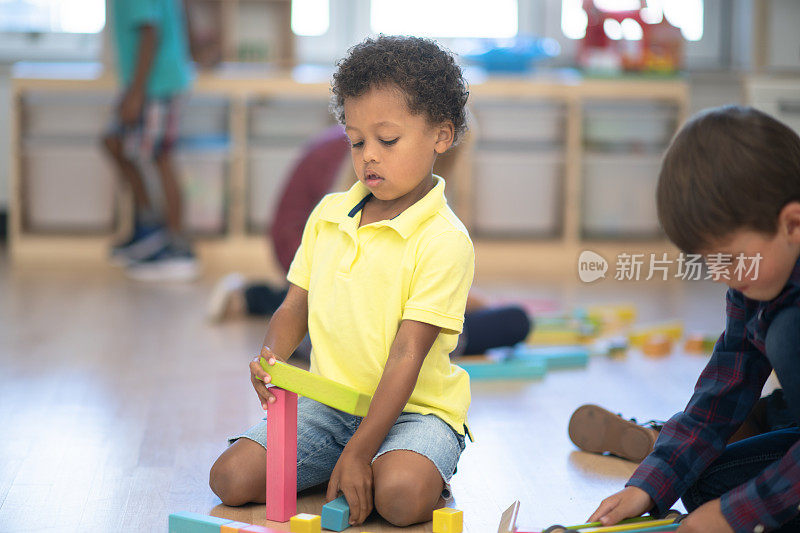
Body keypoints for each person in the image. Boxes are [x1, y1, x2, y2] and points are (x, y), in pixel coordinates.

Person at [209, 36, 475, 527]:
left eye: (387, 141)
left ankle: (400, 464)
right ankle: (353, 462)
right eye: (356, 141)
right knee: (230, 478)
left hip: (417, 411)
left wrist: (361, 449)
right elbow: (294, 307)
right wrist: (272, 358)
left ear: (441, 135)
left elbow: (407, 354)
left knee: (398, 499)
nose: (368, 155)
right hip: (329, 406)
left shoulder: (445, 240)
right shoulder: (329, 215)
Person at [587, 106, 800, 533]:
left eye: (733, 260)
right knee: (702, 485)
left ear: (793, 224)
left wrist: (735, 515)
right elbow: (721, 392)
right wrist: (647, 485)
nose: (722, 276)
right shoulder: (751, 284)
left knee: (787, 336)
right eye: (711, 263)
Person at [207, 127, 531, 357]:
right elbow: (405, 314)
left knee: (320, 299)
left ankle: (256, 298)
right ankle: (262, 300)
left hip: (316, 299)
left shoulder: (349, 189)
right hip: (355, 335)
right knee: (512, 321)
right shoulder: (370, 207)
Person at [102, 0, 199, 281]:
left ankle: (176, 245)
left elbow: (150, 33)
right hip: (147, 82)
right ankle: (150, 230)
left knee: (161, 155)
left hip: (158, 84)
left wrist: (136, 92)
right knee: (114, 142)